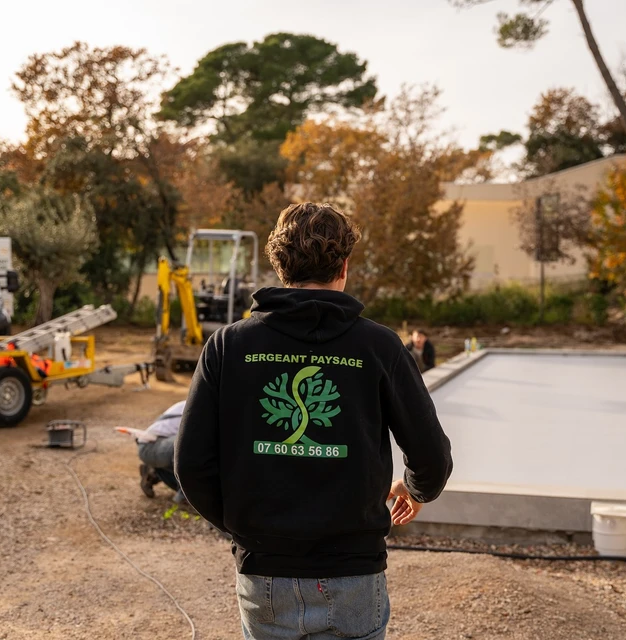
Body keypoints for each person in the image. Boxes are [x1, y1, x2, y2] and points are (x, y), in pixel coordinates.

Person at [176, 202, 453, 640]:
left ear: (280, 266)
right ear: (344, 266)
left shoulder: (229, 346)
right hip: (354, 573)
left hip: (264, 573)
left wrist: (248, 530)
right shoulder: (380, 347)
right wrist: (415, 489)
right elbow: (432, 458)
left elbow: (191, 464)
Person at [124, 400, 186, 500]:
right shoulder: (199, 405)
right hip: (151, 446)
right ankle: (183, 495)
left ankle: (154, 473)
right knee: (192, 443)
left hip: (161, 447)